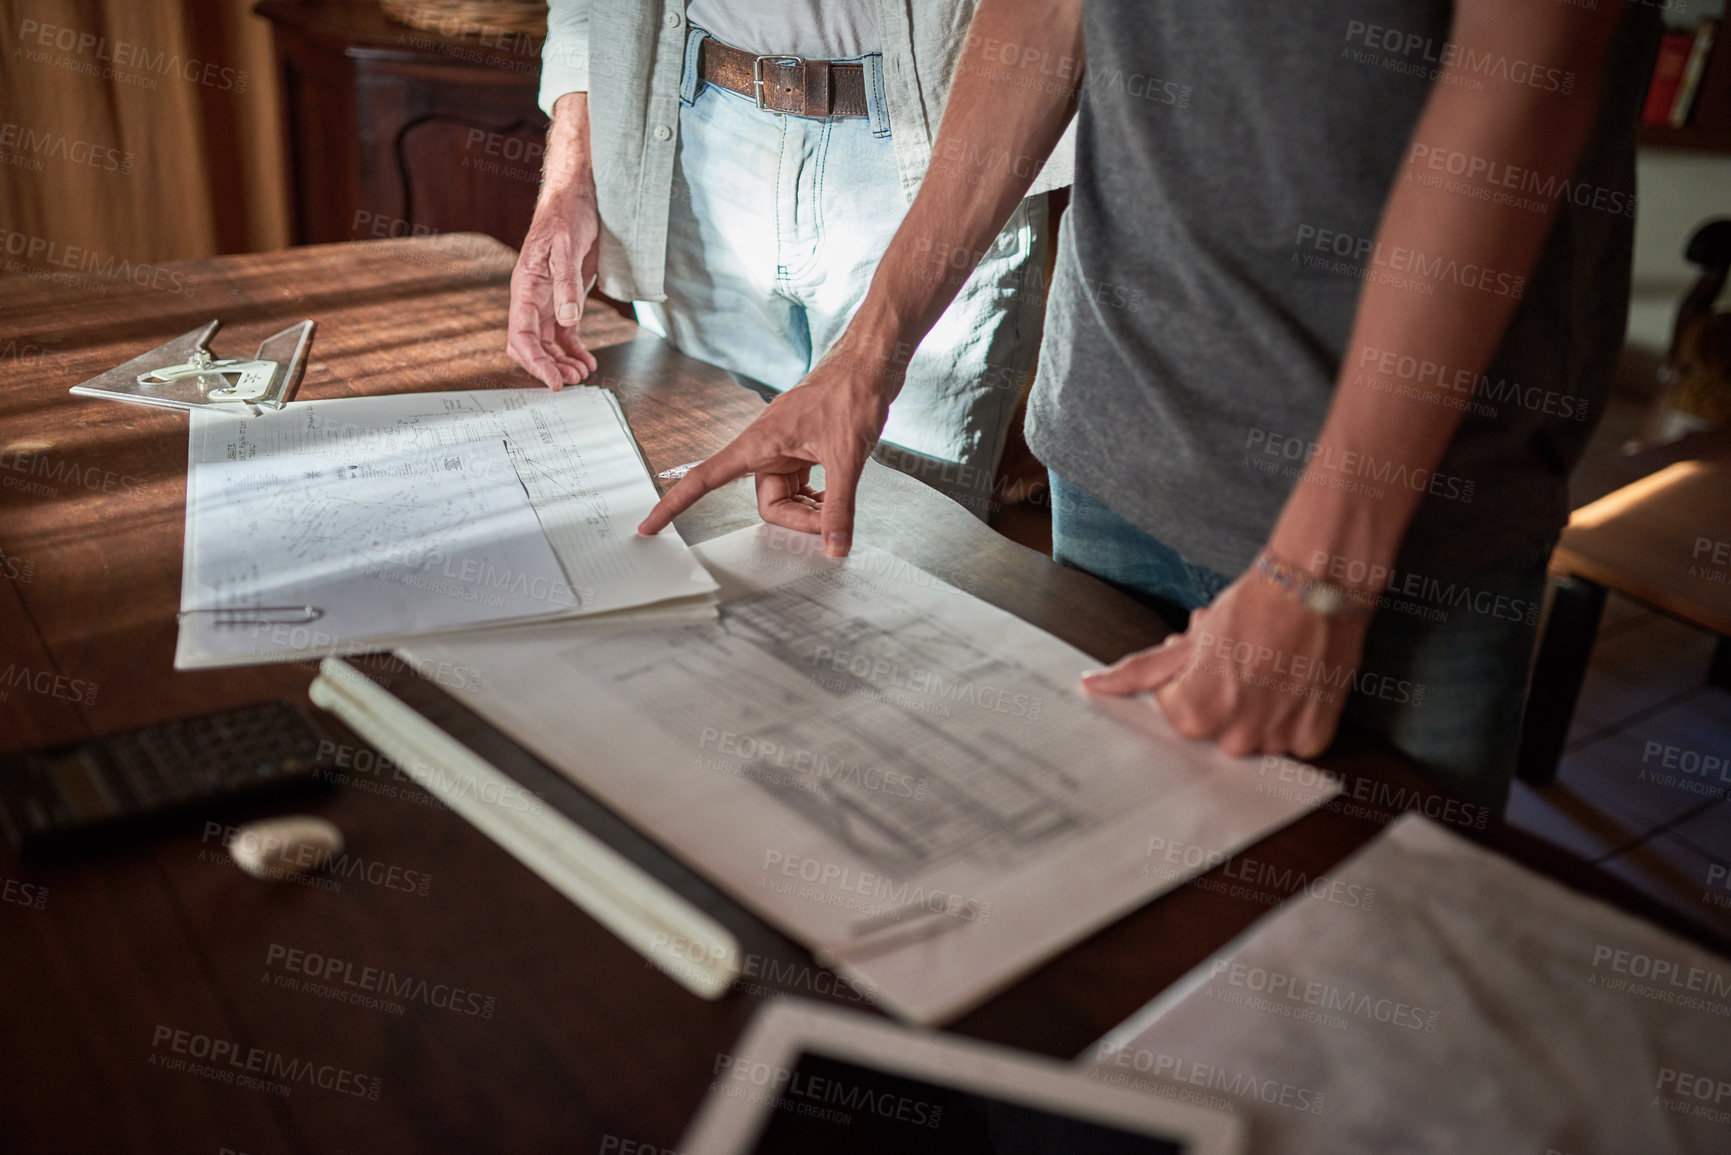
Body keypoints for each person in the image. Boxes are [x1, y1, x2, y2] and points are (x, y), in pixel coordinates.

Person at [639, 0, 1658, 813]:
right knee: (1115, 937)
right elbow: (1040, 17)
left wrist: (1319, 578)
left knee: (1352, 1002)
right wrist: (866, 355)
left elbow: (1522, 86)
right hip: (1118, 435)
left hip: (1409, 518)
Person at [507, 0, 1075, 518]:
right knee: (708, 519)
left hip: (943, 146)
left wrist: (869, 359)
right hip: (694, 137)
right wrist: (571, 178)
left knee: (901, 534)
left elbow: (1054, 16)